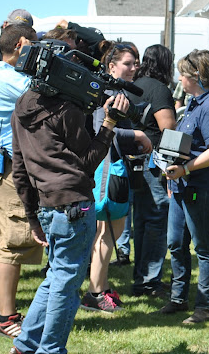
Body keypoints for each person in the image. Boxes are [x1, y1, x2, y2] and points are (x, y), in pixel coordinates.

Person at [9, 71, 130, 354]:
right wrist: (109, 123)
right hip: (74, 204)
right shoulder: (66, 109)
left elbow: (20, 169)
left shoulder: (21, 106)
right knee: (65, 282)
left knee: (56, 277)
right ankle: (50, 350)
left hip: (48, 205)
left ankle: (25, 346)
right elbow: (87, 163)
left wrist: (33, 217)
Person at [157, 49, 209, 324]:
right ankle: (178, 299)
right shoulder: (194, 103)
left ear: (195, 77)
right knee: (176, 243)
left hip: (203, 187)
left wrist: (185, 169)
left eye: (182, 74)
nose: (179, 78)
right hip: (182, 186)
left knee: (203, 246)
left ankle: (204, 307)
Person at [81, 42, 152, 312]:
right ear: (111, 66)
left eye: (135, 63)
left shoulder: (115, 91)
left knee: (109, 231)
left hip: (113, 167)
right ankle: (95, 293)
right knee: (109, 232)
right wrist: (138, 134)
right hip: (109, 170)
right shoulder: (108, 94)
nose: (133, 68)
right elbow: (102, 129)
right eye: (127, 63)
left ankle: (101, 286)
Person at [0, 24, 42, 336]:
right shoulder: (5, 77)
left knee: (7, 240)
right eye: (34, 44)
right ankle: (6, 318)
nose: (38, 51)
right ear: (20, 44)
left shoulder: (10, 75)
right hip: (6, 169)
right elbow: (41, 96)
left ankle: (5, 313)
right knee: (12, 240)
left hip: (7, 168)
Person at [128, 44, 176, 299]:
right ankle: (149, 281)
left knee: (142, 221)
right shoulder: (159, 90)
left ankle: (142, 278)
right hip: (153, 162)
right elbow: (168, 131)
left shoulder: (133, 85)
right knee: (157, 218)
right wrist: (172, 169)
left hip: (132, 161)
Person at [0, 9, 34, 74]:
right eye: (13, 29)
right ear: (5, 25)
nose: (18, 33)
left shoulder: (34, 53)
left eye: (24, 31)